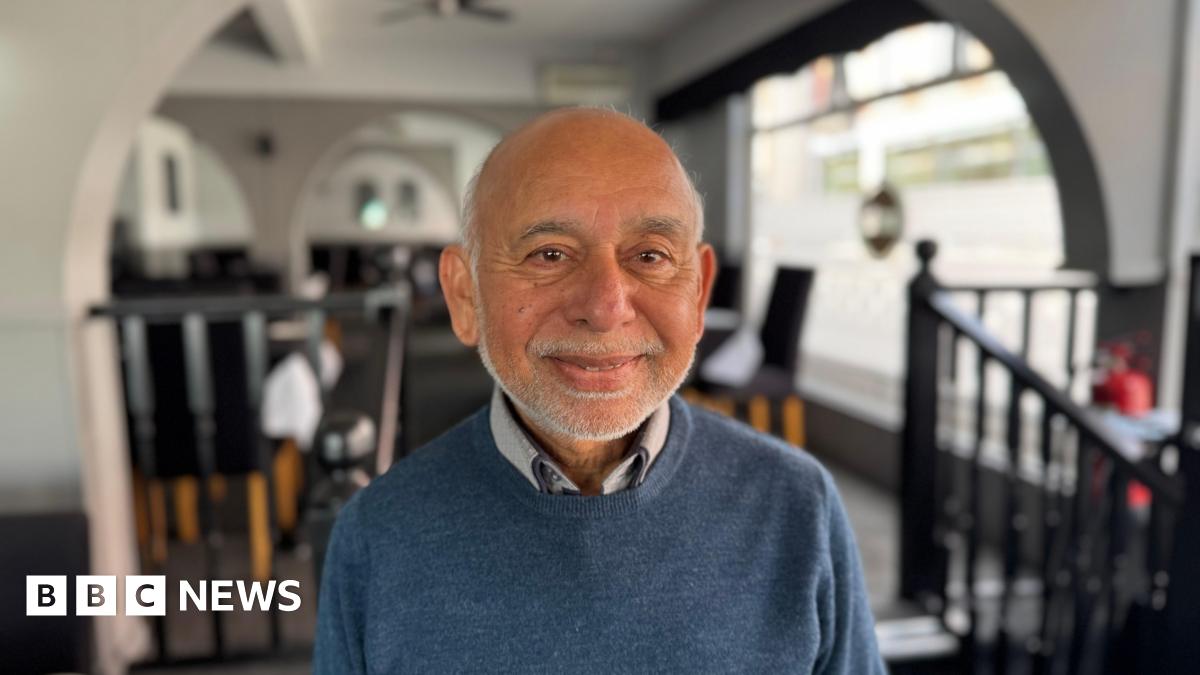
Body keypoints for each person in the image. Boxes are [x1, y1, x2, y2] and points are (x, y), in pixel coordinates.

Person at [313, 107, 885, 673]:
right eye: (550, 254)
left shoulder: (798, 511)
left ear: (700, 292)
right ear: (465, 297)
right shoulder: (377, 538)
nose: (607, 308)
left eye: (651, 256)